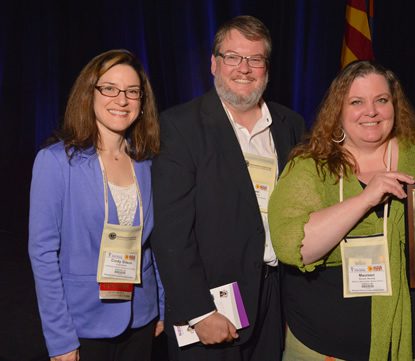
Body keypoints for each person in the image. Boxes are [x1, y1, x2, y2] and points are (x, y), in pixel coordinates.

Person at [268, 60, 415, 361]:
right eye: (356, 102)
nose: (370, 111)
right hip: (325, 351)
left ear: (394, 105)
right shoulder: (310, 166)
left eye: (381, 100)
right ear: (338, 111)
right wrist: (365, 199)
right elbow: (292, 246)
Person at [151, 15, 305, 361]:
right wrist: (199, 311)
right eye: (232, 57)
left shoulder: (290, 125)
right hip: (210, 307)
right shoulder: (178, 127)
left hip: (274, 298)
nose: (244, 68)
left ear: (266, 67)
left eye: (255, 59)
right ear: (213, 63)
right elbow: (170, 232)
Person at [28, 49, 165, 361]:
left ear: (142, 103)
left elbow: (154, 244)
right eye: (109, 88)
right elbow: (43, 254)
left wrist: (161, 305)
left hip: (142, 318)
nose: (122, 100)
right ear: (89, 93)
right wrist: (60, 338)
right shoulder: (55, 163)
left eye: (133, 92)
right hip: (82, 324)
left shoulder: (148, 162)